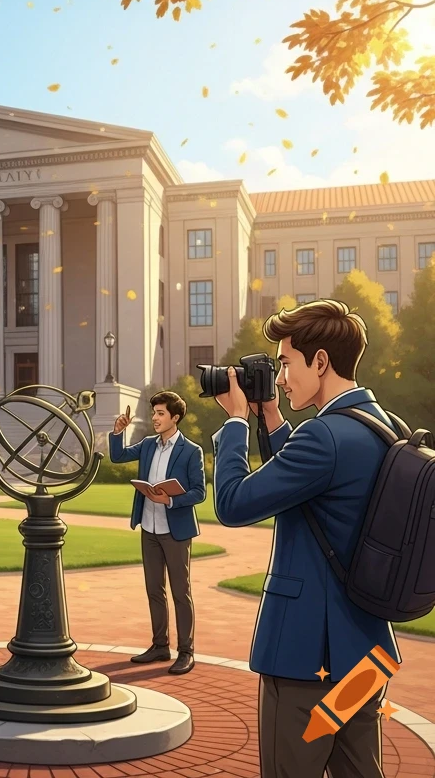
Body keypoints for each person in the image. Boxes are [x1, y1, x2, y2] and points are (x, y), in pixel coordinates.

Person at [211, 298, 400, 778]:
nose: (279, 377)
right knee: (360, 770)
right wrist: (273, 420)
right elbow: (314, 485)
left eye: (286, 363)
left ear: (320, 361)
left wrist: (235, 422)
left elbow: (232, 504)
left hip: (306, 660)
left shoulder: (324, 438)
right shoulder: (381, 426)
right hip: (366, 652)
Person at [108, 391, 206, 676]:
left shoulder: (191, 451)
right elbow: (118, 457)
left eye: (161, 413)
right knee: (154, 590)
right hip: (149, 527)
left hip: (175, 531)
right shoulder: (149, 445)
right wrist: (118, 433)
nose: (155, 418)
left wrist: (171, 500)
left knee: (180, 592)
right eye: (154, 413)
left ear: (175, 418)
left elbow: (199, 492)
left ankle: (186, 651)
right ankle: (160, 645)